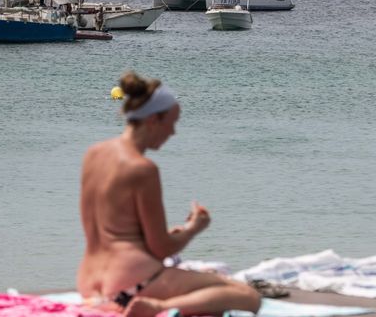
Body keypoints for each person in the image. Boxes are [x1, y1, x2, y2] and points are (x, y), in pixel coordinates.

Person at [77, 71, 261, 317]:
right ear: (153, 119)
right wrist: (195, 227)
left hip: (89, 282)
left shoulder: (93, 154)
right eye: (171, 123)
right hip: (131, 282)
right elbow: (161, 249)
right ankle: (159, 307)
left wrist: (174, 233)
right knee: (247, 295)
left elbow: (116, 232)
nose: (173, 133)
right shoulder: (142, 169)